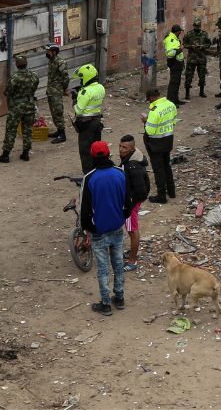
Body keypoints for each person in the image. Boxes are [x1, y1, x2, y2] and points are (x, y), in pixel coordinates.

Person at [79, 141, 131, 316]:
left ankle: (106, 303)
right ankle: (120, 298)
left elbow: (84, 209)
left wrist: (89, 227)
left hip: (98, 229)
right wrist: (121, 218)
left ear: (93, 156)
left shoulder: (90, 178)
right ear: (109, 154)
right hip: (117, 226)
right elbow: (127, 202)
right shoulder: (120, 173)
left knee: (102, 268)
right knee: (118, 263)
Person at [0, 55, 39, 163]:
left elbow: (7, 92)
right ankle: (25, 153)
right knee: (27, 130)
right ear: (26, 63)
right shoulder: (34, 76)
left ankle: (5, 155)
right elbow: (34, 87)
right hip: (29, 105)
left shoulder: (14, 78)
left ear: (17, 65)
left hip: (16, 108)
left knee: (11, 130)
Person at [117, 134, 150, 272]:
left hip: (131, 204)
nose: (121, 149)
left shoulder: (133, 166)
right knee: (131, 230)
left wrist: (129, 204)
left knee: (132, 231)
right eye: (120, 146)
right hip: (131, 201)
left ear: (132, 149)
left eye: (124, 147)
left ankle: (132, 261)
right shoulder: (130, 159)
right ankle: (132, 253)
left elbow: (141, 191)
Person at [141, 87, 178, 204]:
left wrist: (145, 121)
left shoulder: (154, 111)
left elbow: (150, 131)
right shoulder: (170, 105)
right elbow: (173, 122)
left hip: (156, 144)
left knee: (158, 169)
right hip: (168, 140)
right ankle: (171, 192)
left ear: (151, 98)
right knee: (167, 166)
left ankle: (161, 196)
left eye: (149, 100)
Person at [72, 62, 106, 172]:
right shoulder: (101, 87)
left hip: (86, 125)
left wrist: (75, 99)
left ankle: (88, 175)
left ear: (86, 78)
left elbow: (78, 110)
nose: (81, 81)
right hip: (97, 122)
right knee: (96, 149)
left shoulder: (85, 92)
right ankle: (98, 170)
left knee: (85, 151)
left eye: (81, 79)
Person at [45, 44, 69, 144]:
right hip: (51, 91)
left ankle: (62, 134)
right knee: (53, 112)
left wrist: (63, 89)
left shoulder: (60, 62)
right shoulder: (51, 61)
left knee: (58, 111)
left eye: (49, 51)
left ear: (54, 52)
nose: (47, 53)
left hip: (57, 91)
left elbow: (65, 77)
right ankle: (58, 131)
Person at [182, 19, 212, 99]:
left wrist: (202, 47)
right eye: (196, 26)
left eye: (198, 26)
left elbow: (209, 44)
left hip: (201, 58)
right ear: (193, 26)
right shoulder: (189, 34)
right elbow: (184, 44)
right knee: (188, 76)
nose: (197, 28)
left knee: (202, 76)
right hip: (191, 59)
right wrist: (191, 46)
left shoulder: (204, 34)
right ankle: (187, 93)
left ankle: (201, 92)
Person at [163, 25, 187, 106]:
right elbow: (170, 53)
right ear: (177, 31)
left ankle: (176, 100)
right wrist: (181, 49)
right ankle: (171, 102)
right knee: (173, 83)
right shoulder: (171, 39)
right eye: (180, 31)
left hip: (178, 63)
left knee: (177, 83)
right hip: (174, 63)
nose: (181, 32)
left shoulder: (175, 38)